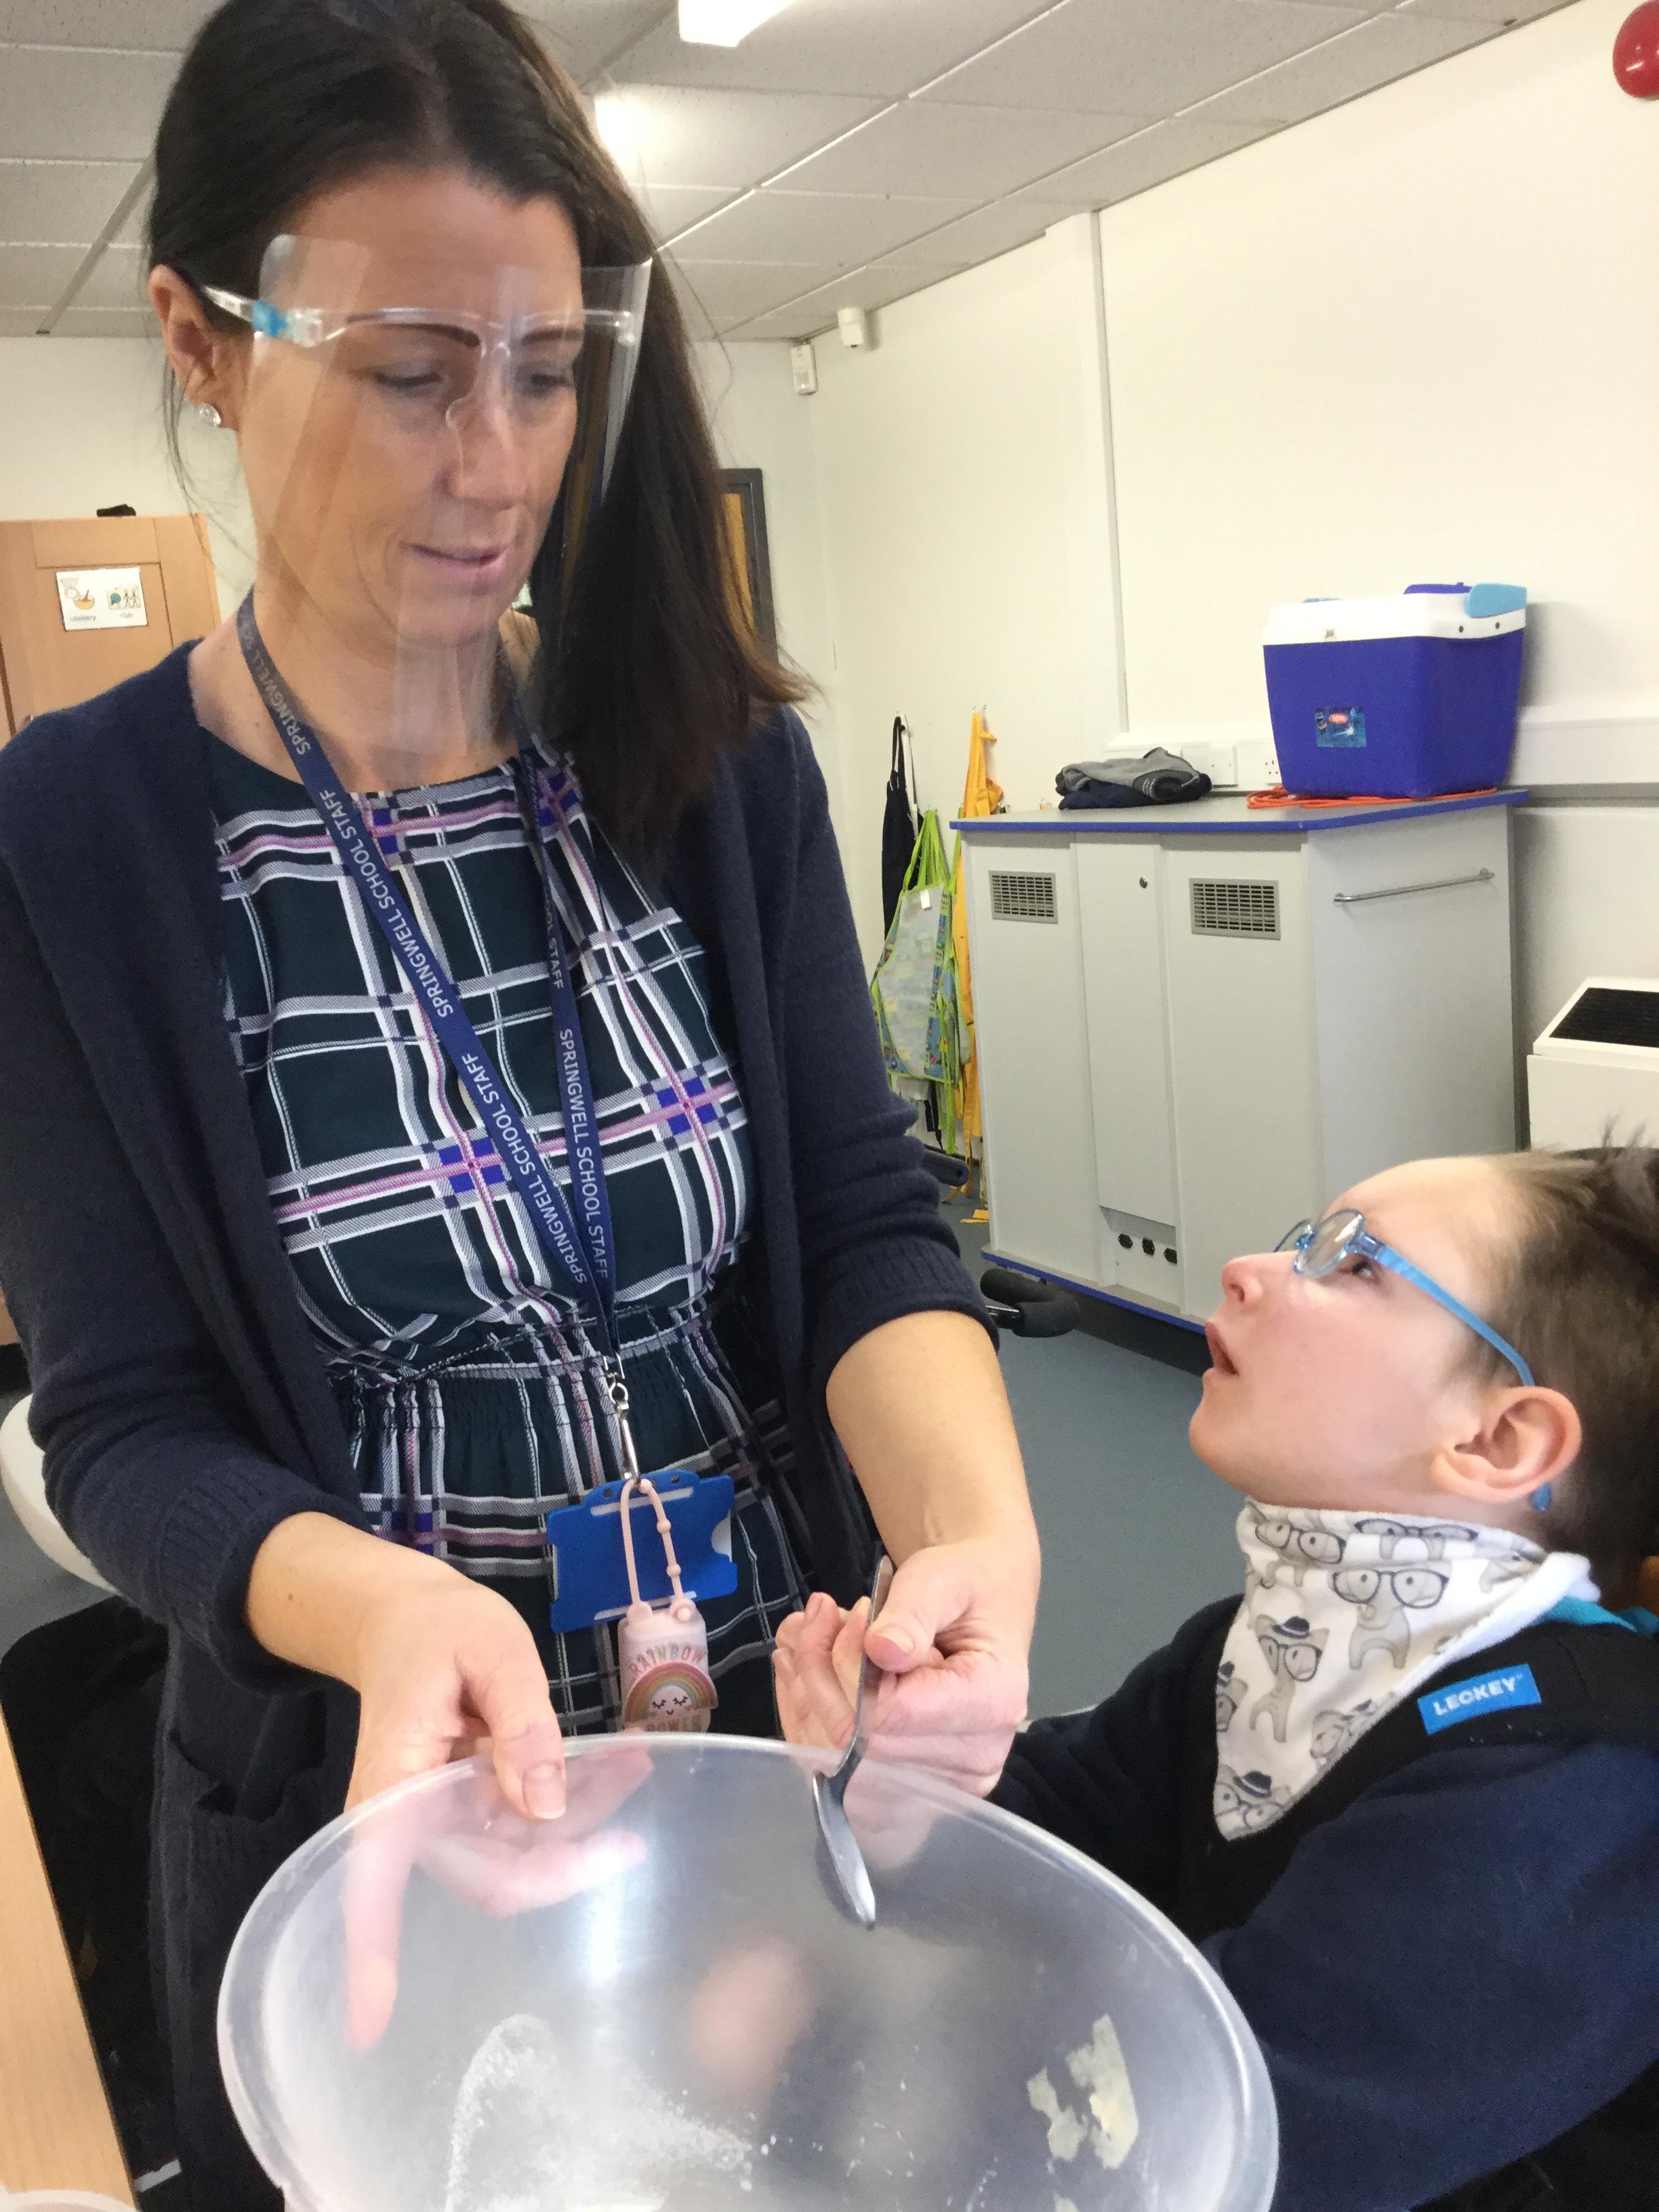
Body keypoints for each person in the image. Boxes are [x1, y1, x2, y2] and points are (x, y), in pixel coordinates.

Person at [0, 1, 1040, 2200]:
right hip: (382, 1802)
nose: (493, 463)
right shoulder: (70, 842)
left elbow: (865, 1228)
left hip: (770, 1728)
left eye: (547, 369)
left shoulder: (708, 766)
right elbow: (124, 1426)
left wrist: (977, 1535)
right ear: (199, 345)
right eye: (407, 374)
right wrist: (385, 1609)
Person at [777, 1147, 1659, 2211]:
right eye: (1305, 1242)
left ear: (1500, 1439)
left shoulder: (1553, 1797)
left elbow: (1232, 2142)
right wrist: (906, 1796)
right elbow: (1067, 1831)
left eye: (1355, 1264)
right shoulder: (1264, 1652)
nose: (1247, 1269)